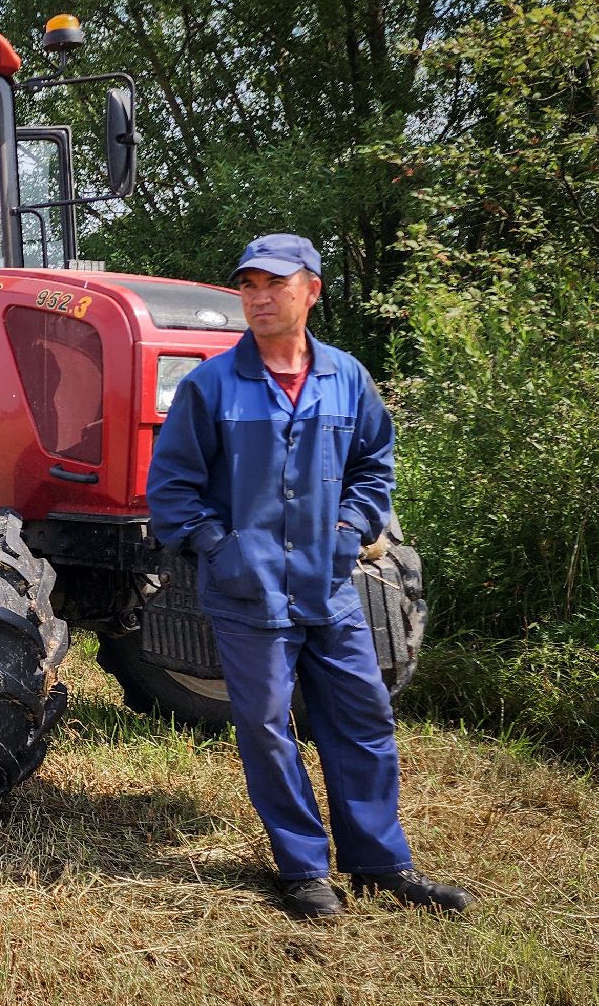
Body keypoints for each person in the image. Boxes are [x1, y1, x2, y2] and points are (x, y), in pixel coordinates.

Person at [147, 233, 477, 920]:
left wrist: (351, 529)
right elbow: (172, 490)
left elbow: (373, 466)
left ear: (312, 290)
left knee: (364, 718)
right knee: (268, 728)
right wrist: (222, 549)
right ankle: (303, 870)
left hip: (329, 588)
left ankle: (380, 861)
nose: (259, 297)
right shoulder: (211, 386)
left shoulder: (346, 378)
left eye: (275, 283)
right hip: (249, 592)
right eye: (249, 285)